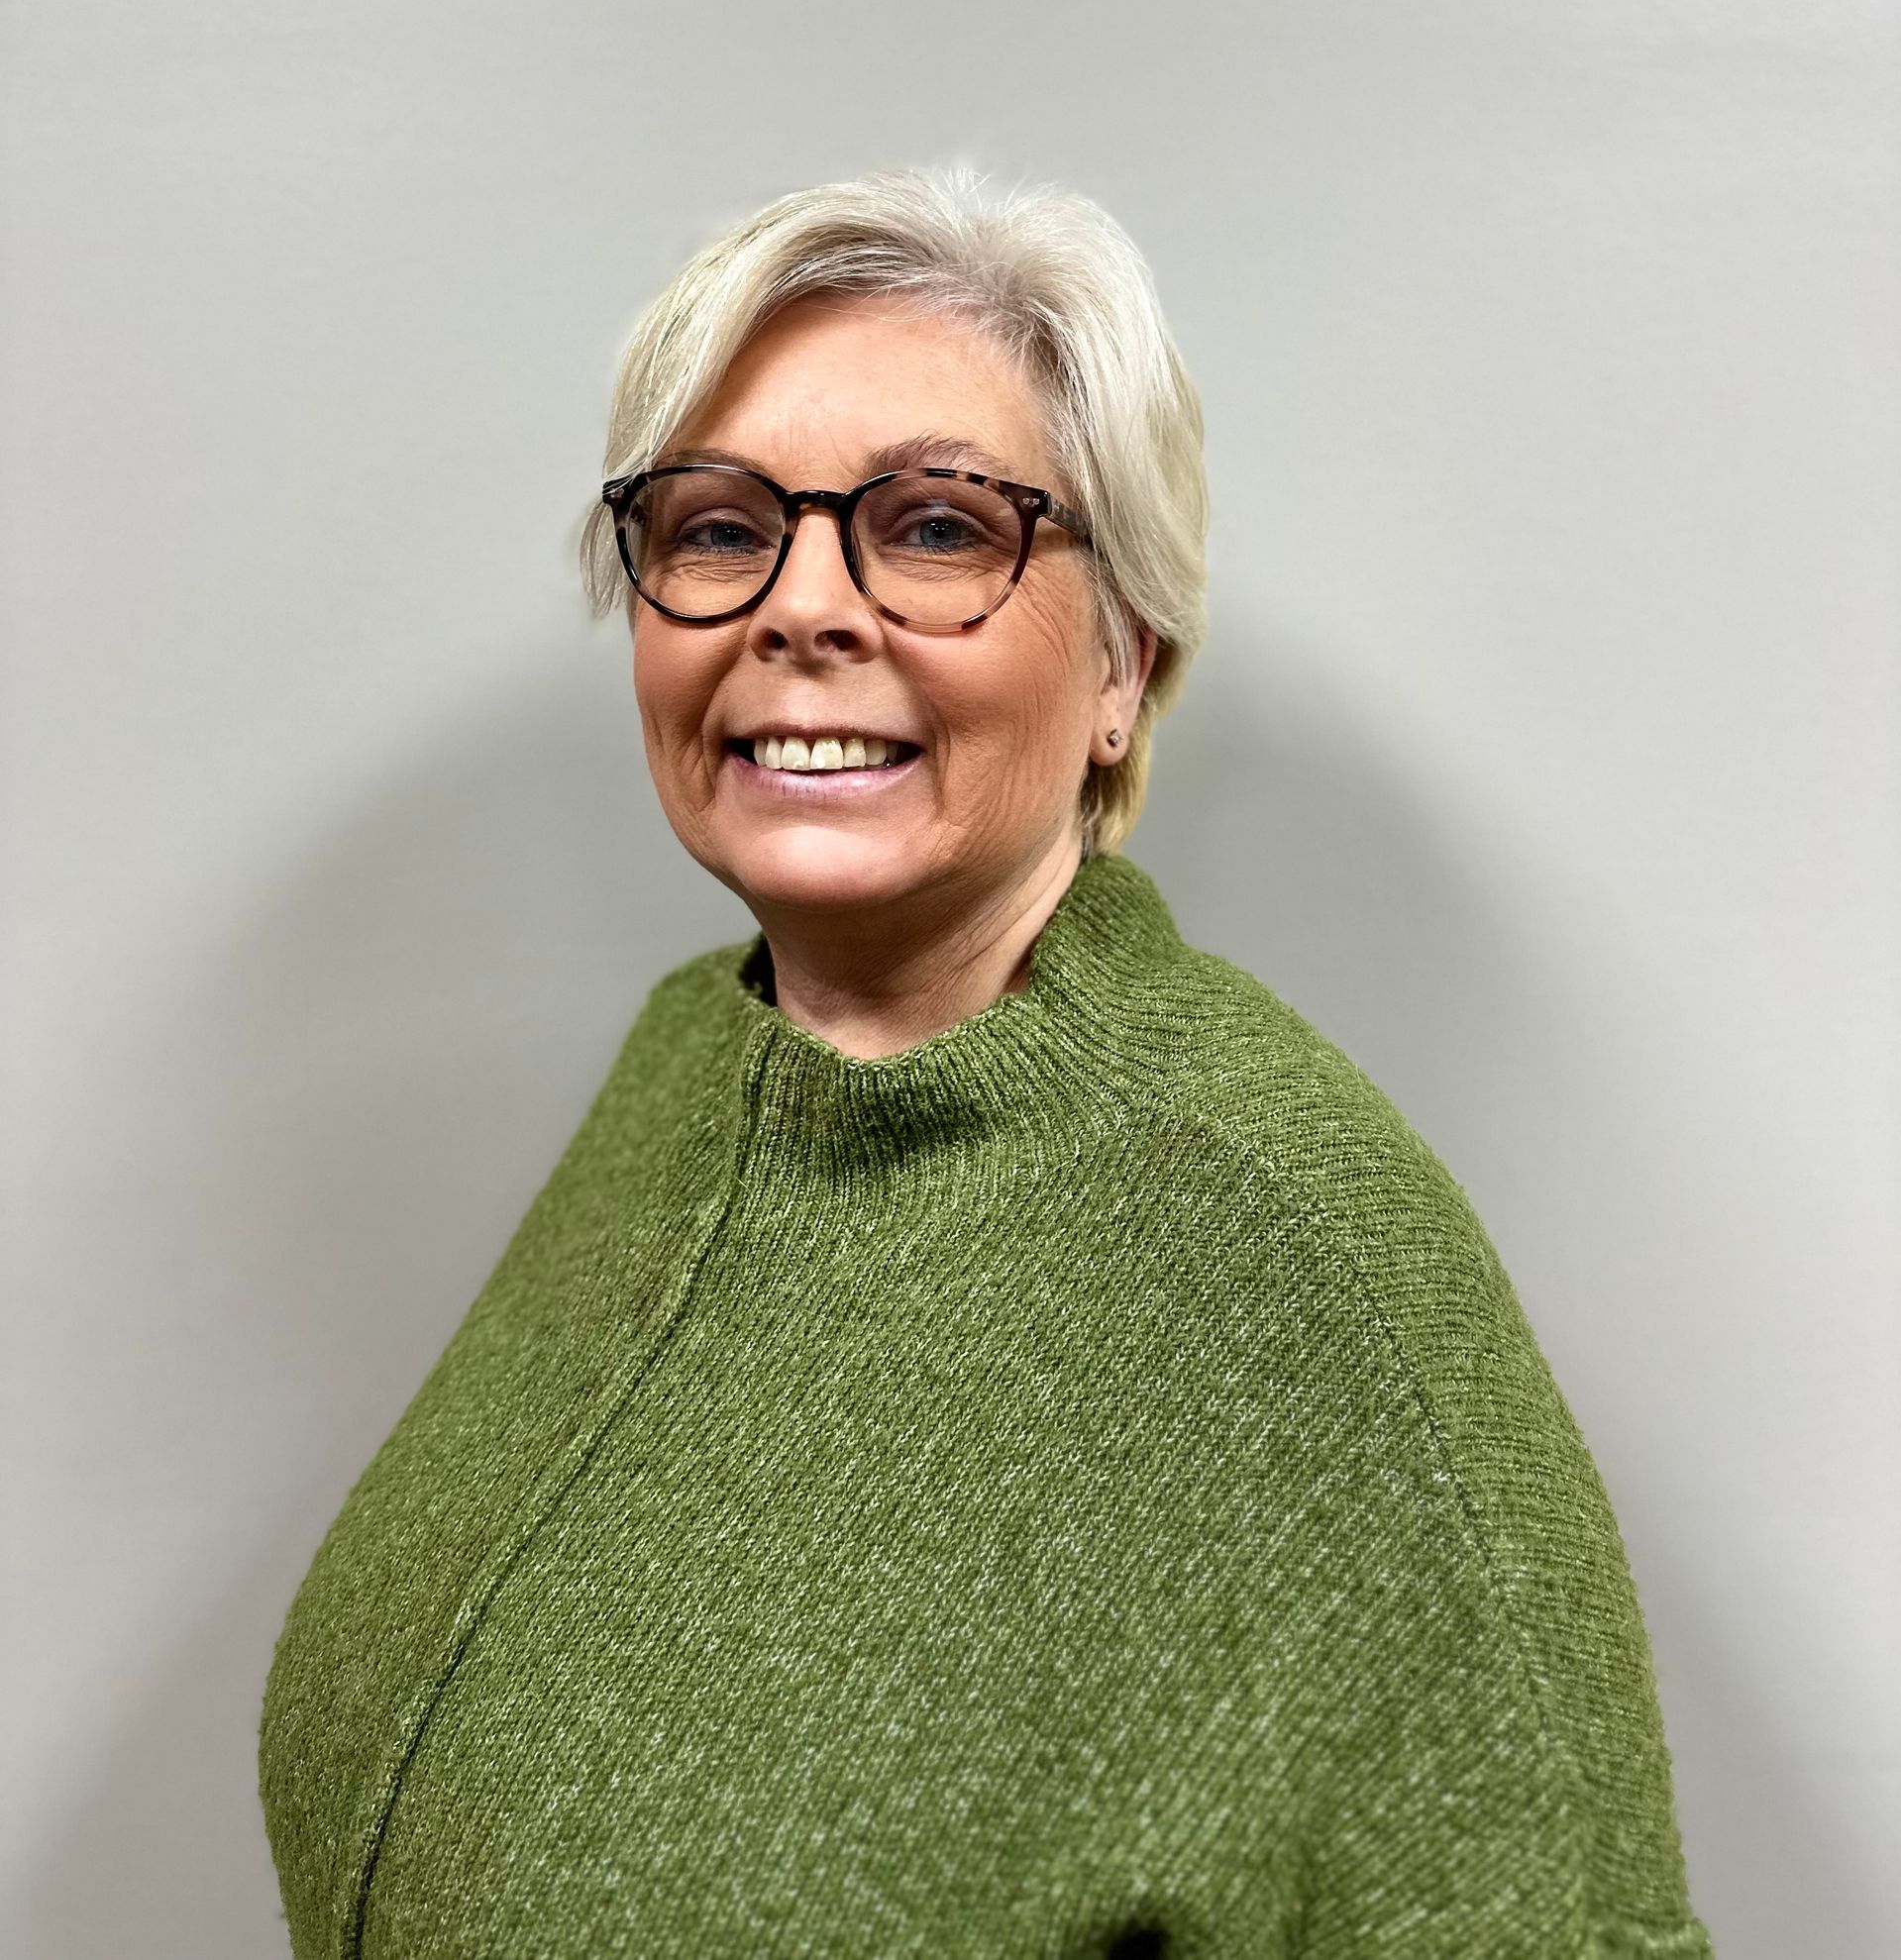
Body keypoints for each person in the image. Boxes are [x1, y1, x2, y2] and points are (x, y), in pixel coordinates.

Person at [258, 168, 1713, 1958]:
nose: (803, 608)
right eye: (718, 528)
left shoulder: (1285, 1250)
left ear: (1125, 661)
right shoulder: (689, 1086)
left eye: (936, 527)